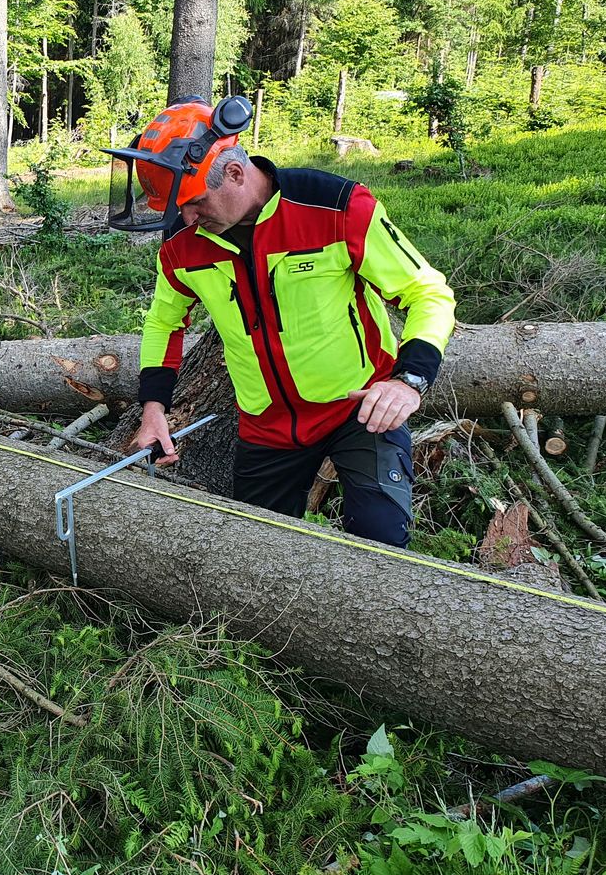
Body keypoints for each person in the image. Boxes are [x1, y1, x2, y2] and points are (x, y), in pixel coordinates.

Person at [130, 106, 456, 547]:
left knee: (380, 546)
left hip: (359, 406)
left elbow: (428, 293)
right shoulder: (180, 245)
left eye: (195, 203)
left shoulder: (336, 206)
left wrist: (408, 381)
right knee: (261, 555)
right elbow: (165, 323)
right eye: (177, 208)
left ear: (234, 173)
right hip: (268, 423)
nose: (187, 219)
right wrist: (153, 408)